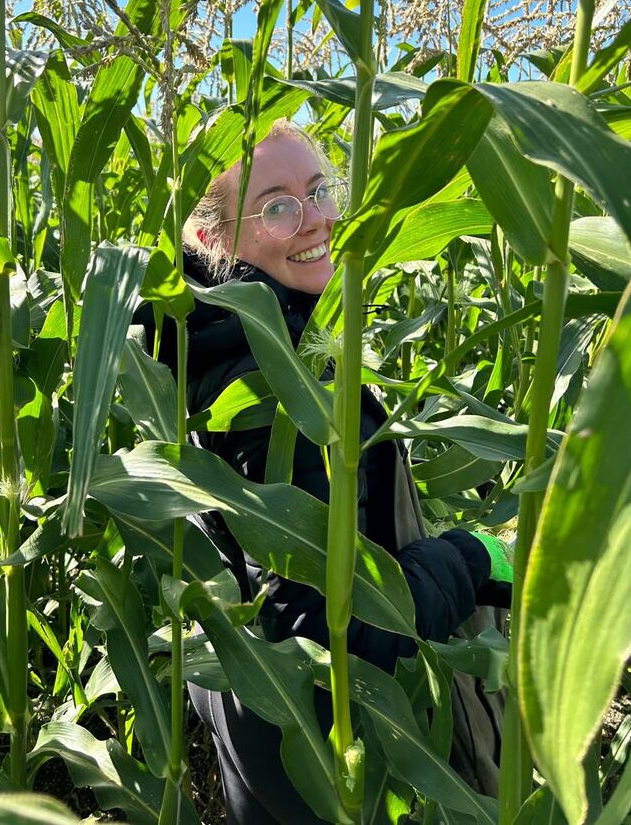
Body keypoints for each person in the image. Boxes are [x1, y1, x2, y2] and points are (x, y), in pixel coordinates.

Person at [142, 120, 508, 825]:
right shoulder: (261, 385)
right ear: (211, 240)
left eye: (318, 190)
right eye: (277, 206)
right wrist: (473, 557)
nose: (316, 218)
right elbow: (329, 632)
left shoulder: (231, 347)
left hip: (265, 745)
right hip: (319, 762)